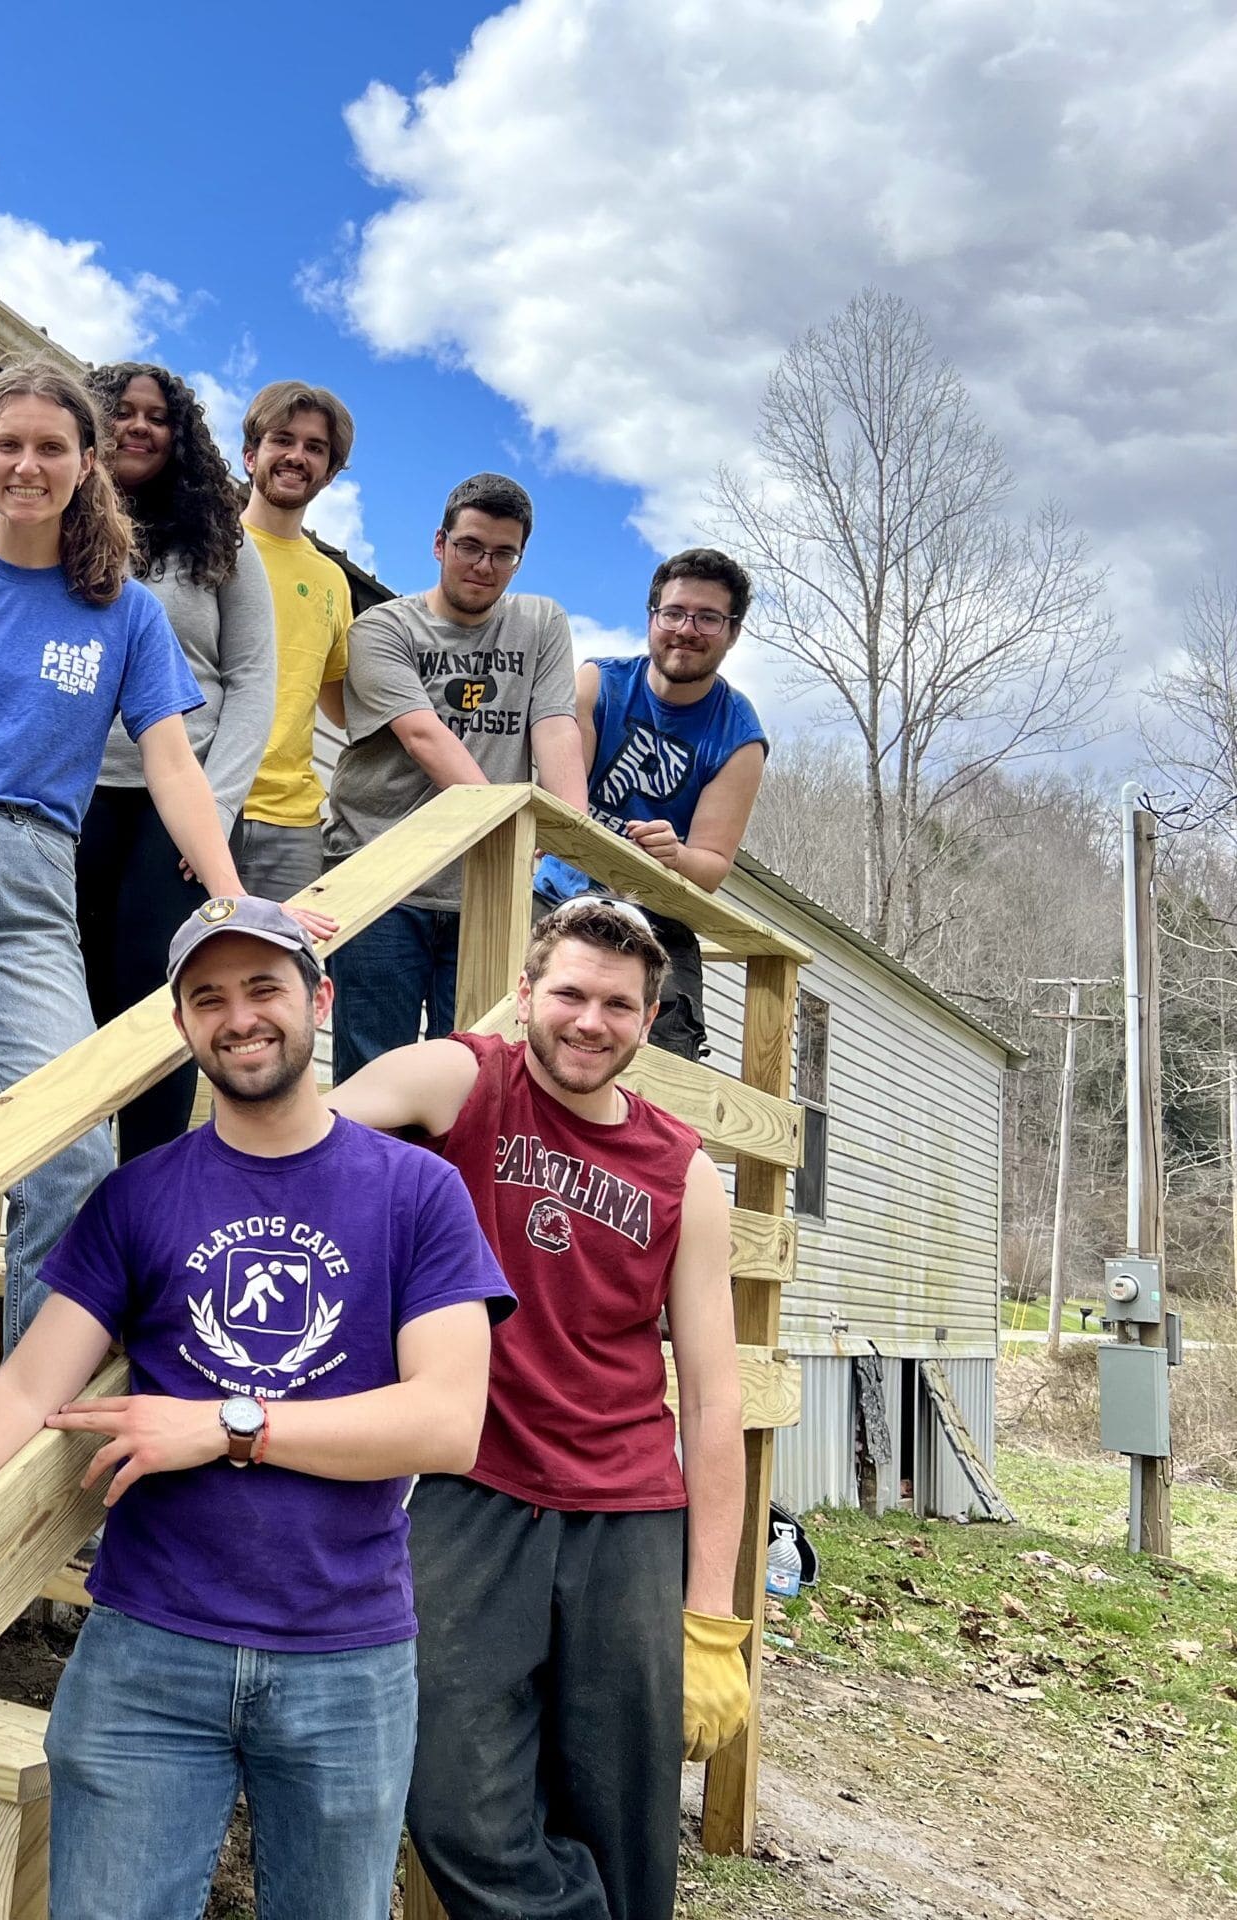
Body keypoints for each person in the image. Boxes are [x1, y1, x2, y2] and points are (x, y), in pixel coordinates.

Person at [0, 895, 511, 1920]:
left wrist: (227, 1424)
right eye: (208, 998)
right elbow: (23, 1384)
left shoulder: (417, 1193)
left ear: (317, 999)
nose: (239, 1016)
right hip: (149, 1647)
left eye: (264, 988)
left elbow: (446, 1422)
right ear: (183, 1026)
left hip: (346, 1655)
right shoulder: (138, 1197)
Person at [0, 355, 333, 1524]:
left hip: (32, 870)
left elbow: (171, 766)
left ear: (85, 463)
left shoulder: (123, 614)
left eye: (53, 447)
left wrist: (238, 899)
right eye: (7, 447)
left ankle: (26, 1400)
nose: (28, 465)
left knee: (70, 1148)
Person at [328, 897, 753, 1920]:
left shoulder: (680, 1170)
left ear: (648, 1022)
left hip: (627, 1514)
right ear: (526, 996)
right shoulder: (466, 1080)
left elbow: (711, 1393)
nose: (589, 1020)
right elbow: (314, 1131)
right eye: (567, 992)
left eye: (617, 1004)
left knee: (622, 1814)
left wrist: (709, 1620)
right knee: (450, 1794)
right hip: (474, 1488)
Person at [322, 472, 588, 1079]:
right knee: (374, 1073)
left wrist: (572, 841)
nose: (483, 565)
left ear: (519, 560)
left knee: (473, 1076)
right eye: (469, 546)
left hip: (484, 893)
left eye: (502, 553)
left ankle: (449, 1183)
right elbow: (423, 735)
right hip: (381, 877)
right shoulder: (384, 628)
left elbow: (556, 728)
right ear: (439, 543)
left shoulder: (541, 623)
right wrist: (506, 826)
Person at [78, 361, 276, 1161]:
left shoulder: (219, 544)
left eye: (156, 416)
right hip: (73, 799)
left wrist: (216, 814)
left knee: (158, 995)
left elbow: (255, 679)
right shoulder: (61, 530)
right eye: (120, 412)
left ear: (179, 434)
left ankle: (148, 1187)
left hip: (180, 804)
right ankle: (69, 1194)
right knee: (74, 1000)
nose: (137, 427)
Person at [533, 548, 768, 1061]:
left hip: (657, 918)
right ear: (652, 617)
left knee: (665, 1059)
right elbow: (563, 798)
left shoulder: (739, 736)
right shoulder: (600, 683)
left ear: (732, 632)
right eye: (674, 612)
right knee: (512, 1013)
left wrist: (676, 855)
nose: (687, 629)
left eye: (708, 618)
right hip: (557, 895)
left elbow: (710, 868)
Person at [230, 380, 358, 901]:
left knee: (282, 977)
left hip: (293, 823)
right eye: (283, 439)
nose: (296, 456)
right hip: (197, 800)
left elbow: (344, 706)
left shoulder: (332, 581)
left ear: (328, 474)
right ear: (249, 455)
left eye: (315, 447)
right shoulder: (206, 547)